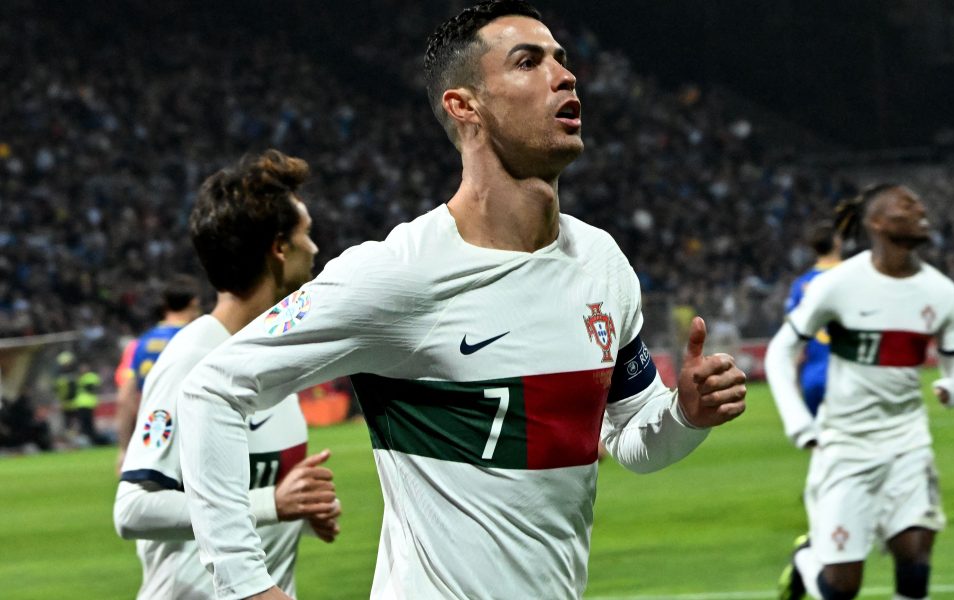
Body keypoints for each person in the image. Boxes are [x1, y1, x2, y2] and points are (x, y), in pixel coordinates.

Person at [177, 3, 747, 599]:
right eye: (528, 62)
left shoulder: (601, 264)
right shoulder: (399, 275)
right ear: (464, 105)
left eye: (562, 59)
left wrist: (685, 413)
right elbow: (213, 389)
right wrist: (243, 584)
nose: (564, 75)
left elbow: (634, 438)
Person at [114, 149, 341, 599]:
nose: (315, 249)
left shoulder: (271, 353)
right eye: (307, 235)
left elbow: (245, 502)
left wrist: (301, 511)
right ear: (279, 248)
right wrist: (273, 503)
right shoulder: (192, 358)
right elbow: (134, 509)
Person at [765, 184, 954, 600]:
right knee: (843, 587)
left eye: (919, 201)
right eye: (906, 204)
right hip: (845, 444)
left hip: (908, 440)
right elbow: (779, 351)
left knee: (915, 561)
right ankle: (808, 563)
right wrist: (799, 424)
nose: (920, 208)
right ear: (876, 222)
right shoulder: (838, 284)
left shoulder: (943, 294)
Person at [115, 274, 202, 472]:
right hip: (193, 434)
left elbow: (124, 398)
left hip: (153, 436)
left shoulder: (137, 345)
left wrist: (123, 449)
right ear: (194, 302)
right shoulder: (197, 339)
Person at [783, 220, 843, 416]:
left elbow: (791, 338)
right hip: (850, 377)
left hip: (814, 377)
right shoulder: (852, 276)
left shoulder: (801, 285)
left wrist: (793, 380)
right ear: (837, 242)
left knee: (820, 443)